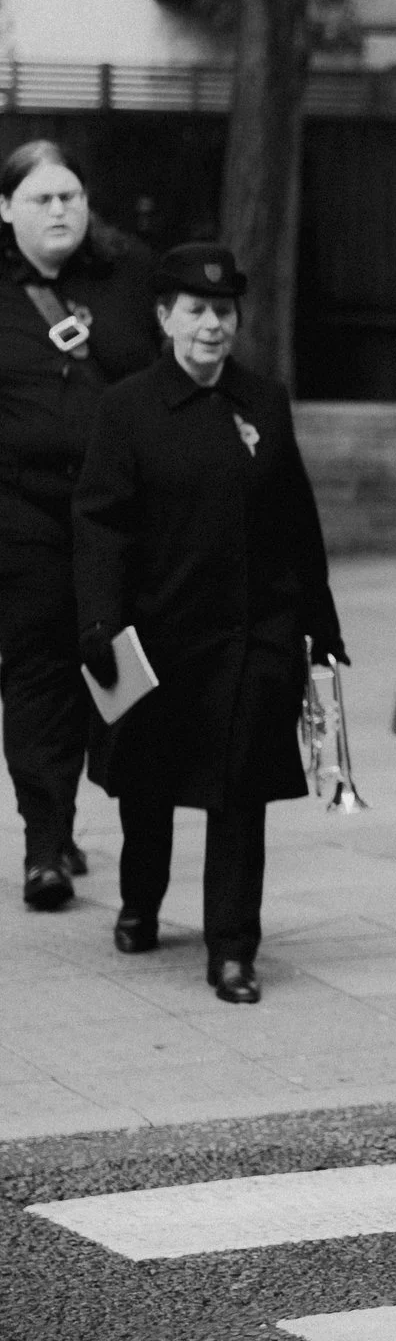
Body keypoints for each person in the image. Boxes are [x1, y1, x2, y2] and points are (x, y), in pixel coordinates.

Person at [71, 246, 344, 1004]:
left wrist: (317, 620)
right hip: (158, 639)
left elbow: (296, 517)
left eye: (223, 312)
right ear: (164, 318)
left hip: (249, 639)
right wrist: (99, 617)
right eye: (194, 310)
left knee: (240, 797)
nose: (211, 326)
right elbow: (100, 523)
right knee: (147, 787)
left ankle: (232, 947)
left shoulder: (265, 400)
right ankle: (141, 900)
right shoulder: (127, 407)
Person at [0, 142, 159, 911]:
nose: (59, 209)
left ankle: (114, 819)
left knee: (113, 667)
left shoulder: (131, 281)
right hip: (22, 513)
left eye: (70, 195)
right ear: (6, 210)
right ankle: (44, 842)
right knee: (35, 672)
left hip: (119, 517)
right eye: (40, 198)